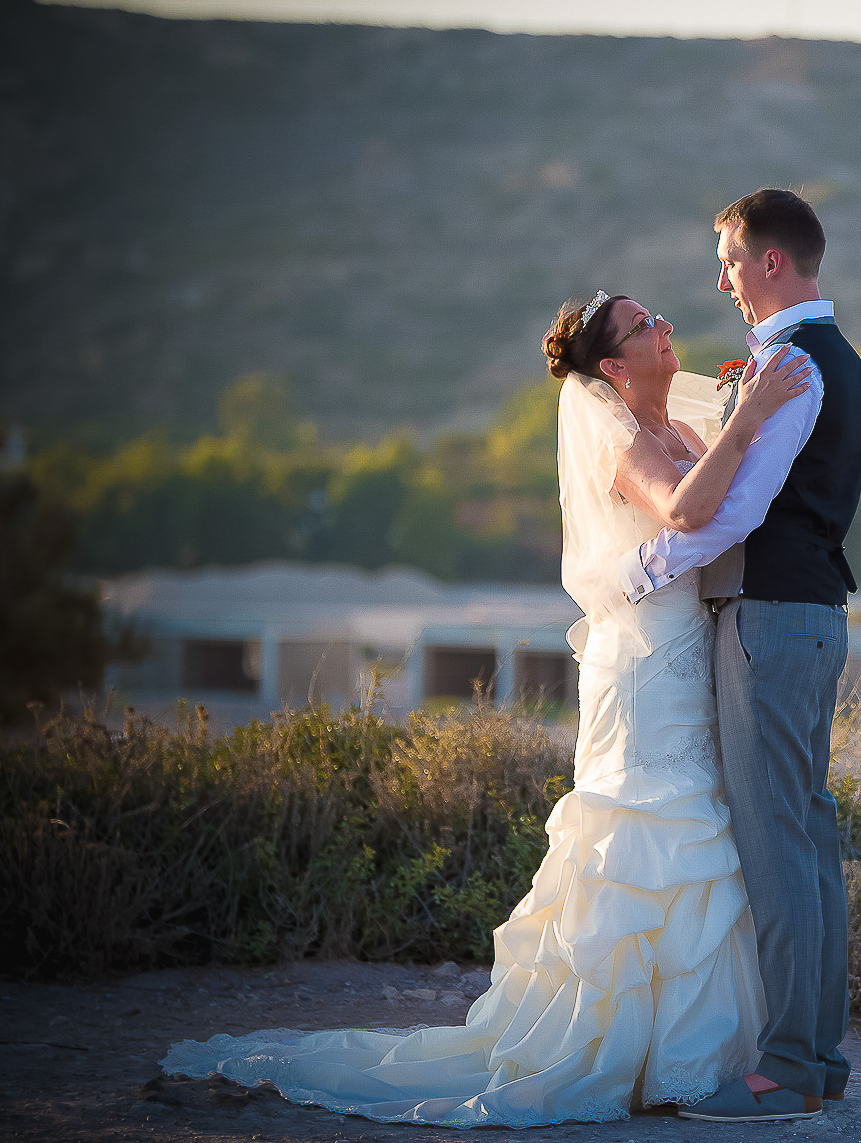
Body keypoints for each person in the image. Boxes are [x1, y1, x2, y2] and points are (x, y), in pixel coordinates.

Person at [159, 291, 812, 1127]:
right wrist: (752, 411)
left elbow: (722, 501)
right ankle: (610, 1045)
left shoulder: (680, 430)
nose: (667, 329)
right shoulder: (615, 434)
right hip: (645, 662)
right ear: (613, 366)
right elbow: (685, 511)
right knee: (646, 828)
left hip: (689, 648)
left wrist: (745, 421)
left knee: (695, 828)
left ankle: (682, 1052)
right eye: (647, 325)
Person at [615, 189, 861, 1124]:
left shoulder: (795, 364)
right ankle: (819, 1059)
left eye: (728, 259)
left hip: (770, 615)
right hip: (799, 614)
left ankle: (790, 1069)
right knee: (806, 839)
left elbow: (737, 510)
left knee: (777, 845)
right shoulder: (815, 358)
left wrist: (636, 573)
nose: (719, 278)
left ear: (769, 261)